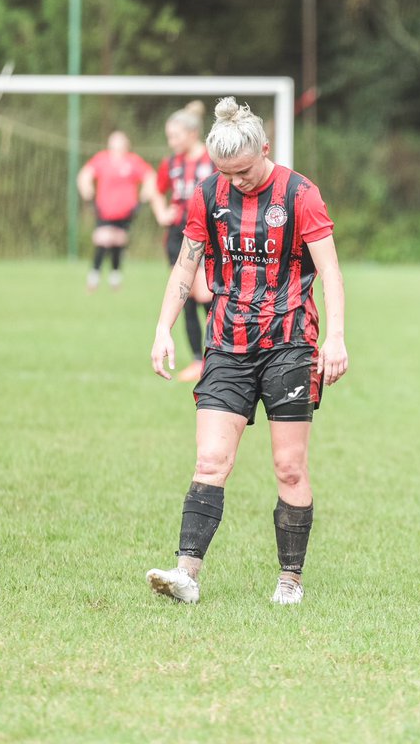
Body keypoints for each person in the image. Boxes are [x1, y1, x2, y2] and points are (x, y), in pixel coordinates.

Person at [146, 97, 348, 606]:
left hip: (289, 344)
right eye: (224, 173)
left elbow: (330, 272)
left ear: (265, 148)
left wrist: (336, 337)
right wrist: (164, 328)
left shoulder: (300, 194)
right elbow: (186, 265)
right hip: (227, 344)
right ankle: (186, 575)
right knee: (211, 460)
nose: (234, 182)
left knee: (289, 467)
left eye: (242, 171)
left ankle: (290, 582)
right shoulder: (207, 194)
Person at [153, 101, 216, 382]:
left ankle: (217, 353)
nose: (171, 142)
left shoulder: (214, 159)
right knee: (184, 298)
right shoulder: (171, 163)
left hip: (208, 235)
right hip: (178, 235)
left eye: (175, 136)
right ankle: (197, 359)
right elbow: (155, 190)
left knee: (206, 295)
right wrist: (161, 211)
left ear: (192, 134)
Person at [77, 131, 155, 291]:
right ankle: (94, 276)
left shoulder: (132, 161)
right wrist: (87, 193)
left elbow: (150, 176)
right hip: (104, 210)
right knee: (103, 240)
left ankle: (115, 277)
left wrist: (143, 197)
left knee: (117, 243)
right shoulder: (102, 159)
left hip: (126, 212)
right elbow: (84, 175)